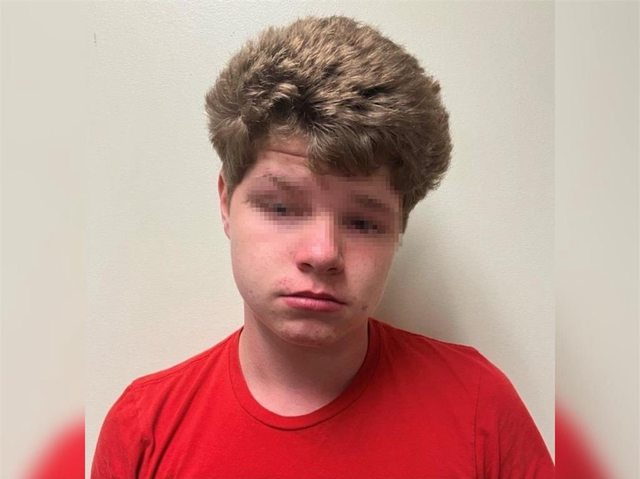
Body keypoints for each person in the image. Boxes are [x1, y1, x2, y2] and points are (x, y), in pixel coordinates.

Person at [92, 15, 554, 478]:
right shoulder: (143, 431)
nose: (323, 253)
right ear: (226, 202)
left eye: (363, 222)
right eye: (281, 208)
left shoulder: (479, 409)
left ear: (399, 227)